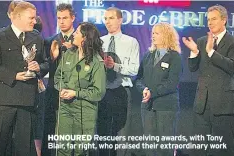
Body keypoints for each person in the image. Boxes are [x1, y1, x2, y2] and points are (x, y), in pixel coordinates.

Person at [0, 1, 49, 156]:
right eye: (31, 18)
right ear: (18, 17)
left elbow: (46, 63)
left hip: (27, 101)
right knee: (0, 146)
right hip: (3, 100)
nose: (35, 21)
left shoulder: (37, 37)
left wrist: (38, 67)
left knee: (25, 148)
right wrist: (13, 76)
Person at [182, 4, 234, 156]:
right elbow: (193, 68)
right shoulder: (202, 41)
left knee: (223, 149)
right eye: (208, 20)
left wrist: (211, 52)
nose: (210, 23)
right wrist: (194, 52)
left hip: (224, 105)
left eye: (214, 19)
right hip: (202, 103)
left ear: (224, 20)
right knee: (198, 149)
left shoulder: (232, 42)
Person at [53, 22, 106, 156]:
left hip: (85, 110)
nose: (74, 34)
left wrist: (75, 93)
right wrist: (62, 89)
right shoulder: (68, 55)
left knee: (81, 151)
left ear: (85, 38)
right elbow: (58, 77)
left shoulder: (96, 62)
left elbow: (98, 92)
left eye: (77, 32)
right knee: (62, 148)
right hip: (65, 108)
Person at [97, 7, 140, 156]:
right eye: (106, 18)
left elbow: (134, 70)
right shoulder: (100, 42)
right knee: (102, 131)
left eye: (111, 18)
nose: (107, 21)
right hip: (102, 92)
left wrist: (114, 66)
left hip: (122, 91)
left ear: (120, 20)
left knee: (121, 133)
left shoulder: (131, 42)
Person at [136, 22, 182, 156]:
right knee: (149, 146)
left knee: (165, 147)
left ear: (167, 36)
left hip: (166, 107)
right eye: (153, 33)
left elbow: (172, 83)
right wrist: (143, 89)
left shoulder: (175, 57)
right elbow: (139, 78)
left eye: (157, 33)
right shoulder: (147, 55)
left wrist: (153, 93)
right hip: (148, 107)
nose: (153, 36)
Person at [42, 3, 76, 155]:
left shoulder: (81, 40)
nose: (61, 21)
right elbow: (44, 68)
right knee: (50, 129)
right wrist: (53, 58)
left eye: (65, 18)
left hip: (75, 93)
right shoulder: (50, 41)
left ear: (73, 18)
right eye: (59, 18)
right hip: (53, 92)